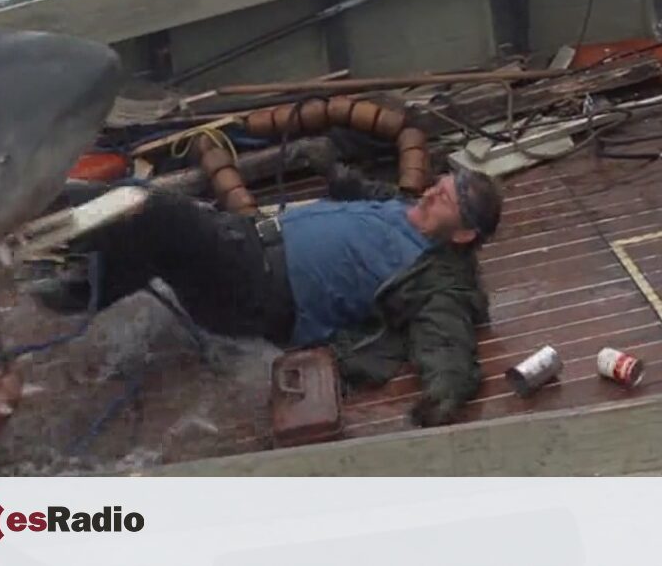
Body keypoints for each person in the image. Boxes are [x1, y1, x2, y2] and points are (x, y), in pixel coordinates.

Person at [32, 161, 503, 427]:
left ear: (464, 234)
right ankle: (68, 259)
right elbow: (367, 197)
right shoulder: (404, 208)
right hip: (245, 241)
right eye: (438, 184)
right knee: (140, 215)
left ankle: (77, 280)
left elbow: (447, 338)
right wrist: (342, 176)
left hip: (254, 294)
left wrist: (444, 397)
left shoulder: (435, 275)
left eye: (445, 198)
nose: (431, 192)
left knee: (154, 211)